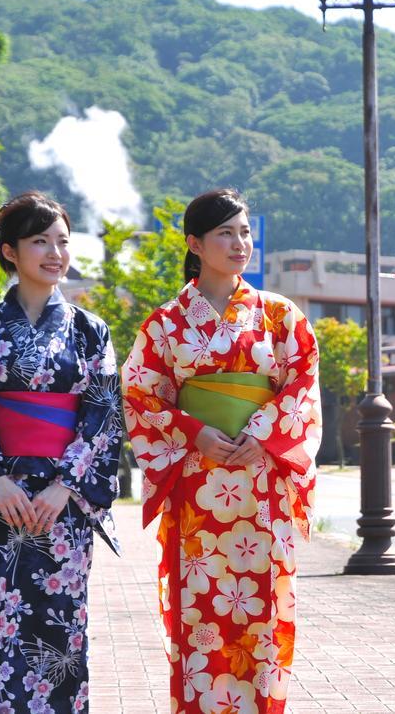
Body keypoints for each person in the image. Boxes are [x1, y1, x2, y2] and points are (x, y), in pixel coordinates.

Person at [122, 188, 321, 714]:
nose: (240, 243)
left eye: (246, 231)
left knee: (265, 610)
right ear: (195, 243)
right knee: (202, 613)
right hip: (198, 486)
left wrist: (263, 435)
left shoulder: (281, 316)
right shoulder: (165, 322)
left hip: (261, 482)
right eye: (225, 233)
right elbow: (140, 393)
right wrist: (193, 431)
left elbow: (301, 384)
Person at [0, 192, 123, 714]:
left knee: (61, 626)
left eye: (62, 241)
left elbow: (103, 412)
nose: (55, 252)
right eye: (40, 241)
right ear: (11, 251)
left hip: (63, 503)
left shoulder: (90, 331)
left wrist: (66, 486)